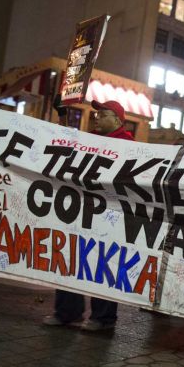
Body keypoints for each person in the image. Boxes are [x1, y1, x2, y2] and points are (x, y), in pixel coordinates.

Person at [42, 99, 134, 331]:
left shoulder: (129, 145)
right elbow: (64, 144)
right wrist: (62, 116)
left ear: (118, 120)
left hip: (108, 215)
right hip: (79, 210)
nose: (97, 118)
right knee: (70, 256)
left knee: (102, 263)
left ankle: (103, 319)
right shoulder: (89, 139)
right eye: (96, 114)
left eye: (102, 114)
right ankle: (67, 311)